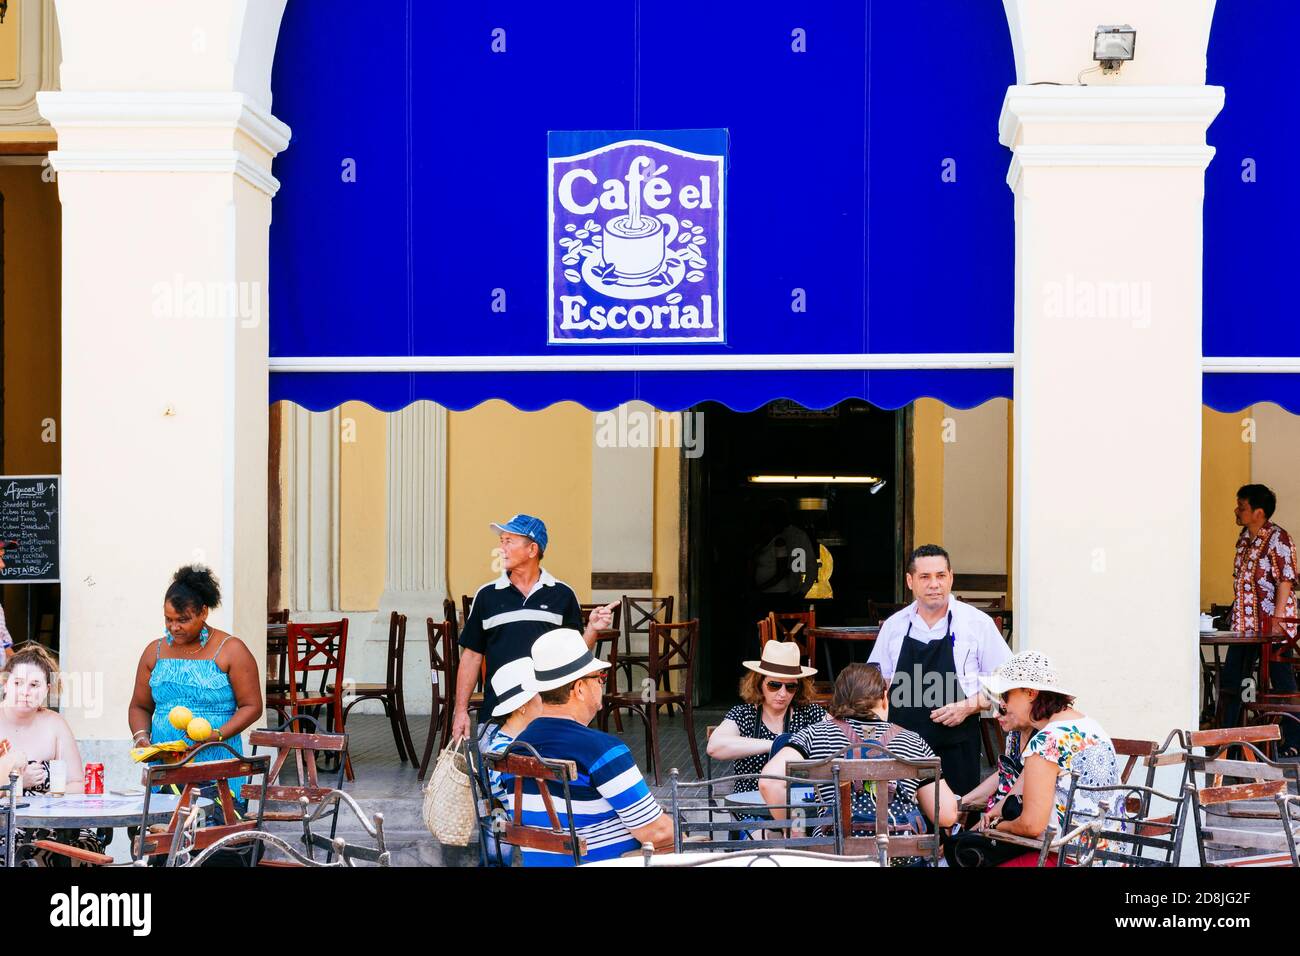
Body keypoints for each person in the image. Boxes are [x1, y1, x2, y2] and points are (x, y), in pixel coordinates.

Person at [759, 663, 959, 865]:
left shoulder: (814, 735)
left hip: (832, 857)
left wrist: (798, 830)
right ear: (884, 697)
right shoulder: (912, 741)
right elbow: (946, 815)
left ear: (837, 698)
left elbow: (769, 782)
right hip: (900, 857)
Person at [507, 628, 672, 865]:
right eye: (600, 678)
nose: (602, 685)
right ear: (580, 688)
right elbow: (657, 833)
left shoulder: (515, 748)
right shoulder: (602, 751)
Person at [451, 514, 615, 745]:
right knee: (497, 780)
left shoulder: (562, 594)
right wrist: (460, 711)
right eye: (501, 541)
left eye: (509, 541)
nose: (501, 548)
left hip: (551, 717)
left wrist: (592, 629)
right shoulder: (486, 596)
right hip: (498, 718)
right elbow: (471, 657)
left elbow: (574, 656)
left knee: (549, 780)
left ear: (532, 549)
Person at [867, 544, 1010, 796]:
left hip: (957, 746)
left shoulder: (977, 624)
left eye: (941, 576)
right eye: (925, 577)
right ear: (910, 581)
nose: (934, 584)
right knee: (904, 824)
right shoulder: (894, 626)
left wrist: (969, 706)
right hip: (902, 749)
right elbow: (876, 686)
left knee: (957, 821)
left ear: (951, 577)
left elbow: (1007, 684)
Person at [965, 651, 1123, 867]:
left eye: (1006, 696)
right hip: (1109, 857)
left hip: (1067, 859)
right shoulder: (1091, 726)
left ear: (1030, 692)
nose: (1003, 705)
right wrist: (998, 812)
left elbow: (1031, 825)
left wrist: (999, 827)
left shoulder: (1047, 740)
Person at [127, 565, 262, 810]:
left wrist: (216, 735)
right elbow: (139, 706)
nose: (174, 627)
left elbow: (252, 706)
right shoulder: (153, 652)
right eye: (168, 619)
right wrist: (141, 739)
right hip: (166, 770)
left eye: (183, 620)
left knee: (214, 838)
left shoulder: (231, 650)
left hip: (217, 765)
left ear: (203, 612)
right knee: (164, 840)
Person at [0, 643, 110, 865]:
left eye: (34, 685)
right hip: (7, 826)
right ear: (5, 684)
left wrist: (51, 796)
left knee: (86, 847)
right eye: (18, 683)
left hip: (53, 824)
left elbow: (79, 783)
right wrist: (18, 780)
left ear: (47, 690)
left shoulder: (55, 724)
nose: (25, 692)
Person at [1220, 484, 1300, 756]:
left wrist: (1277, 619)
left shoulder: (1279, 539)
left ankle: (1292, 741)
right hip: (1245, 626)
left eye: (1242, 507)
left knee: (1281, 683)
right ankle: (1232, 741)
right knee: (1237, 680)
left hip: (1273, 628)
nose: (1237, 511)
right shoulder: (1244, 538)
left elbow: (1285, 581)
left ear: (1259, 512)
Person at [706, 640, 826, 794]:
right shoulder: (744, 714)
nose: (782, 693)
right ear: (759, 682)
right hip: (751, 807)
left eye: (790, 687)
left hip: (799, 806)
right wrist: (775, 745)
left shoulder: (810, 713)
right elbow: (715, 746)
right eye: (774, 685)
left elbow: (840, 737)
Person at [944, 691, 1033, 866]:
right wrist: (962, 805)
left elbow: (1013, 801)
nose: (995, 714)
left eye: (1002, 708)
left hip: (1018, 829)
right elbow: (1003, 773)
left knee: (957, 849)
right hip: (1004, 824)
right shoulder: (1016, 734)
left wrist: (970, 834)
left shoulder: (1041, 741)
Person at [482, 656, 543, 808]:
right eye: (540, 694)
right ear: (522, 705)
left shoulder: (516, 741)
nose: (544, 700)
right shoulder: (501, 749)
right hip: (528, 826)